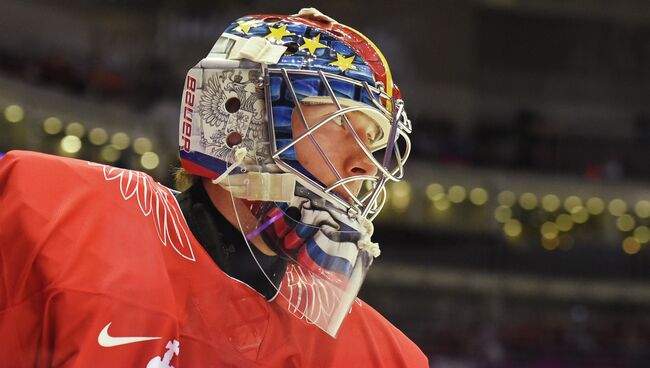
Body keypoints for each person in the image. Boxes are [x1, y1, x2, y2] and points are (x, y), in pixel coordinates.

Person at [0, 8, 427, 367]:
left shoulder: (381, 355)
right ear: (241, 111)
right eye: (341, 124)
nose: (363, 165)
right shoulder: (58, 214)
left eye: (373, 143)